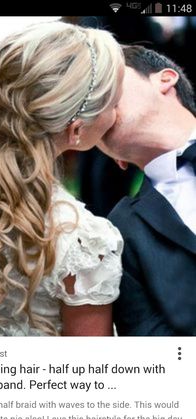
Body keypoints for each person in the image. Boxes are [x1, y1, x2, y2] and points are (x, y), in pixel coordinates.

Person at [0, 22, 124, 336]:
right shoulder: (84, 243)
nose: (118, 115)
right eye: (114, 105)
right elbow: (87, 372)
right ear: (76, 131)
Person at [99, 45, 196, 336]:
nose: (96, 101)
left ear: (165, 79)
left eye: (108, 80)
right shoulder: (119, 229)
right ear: (118, 159)